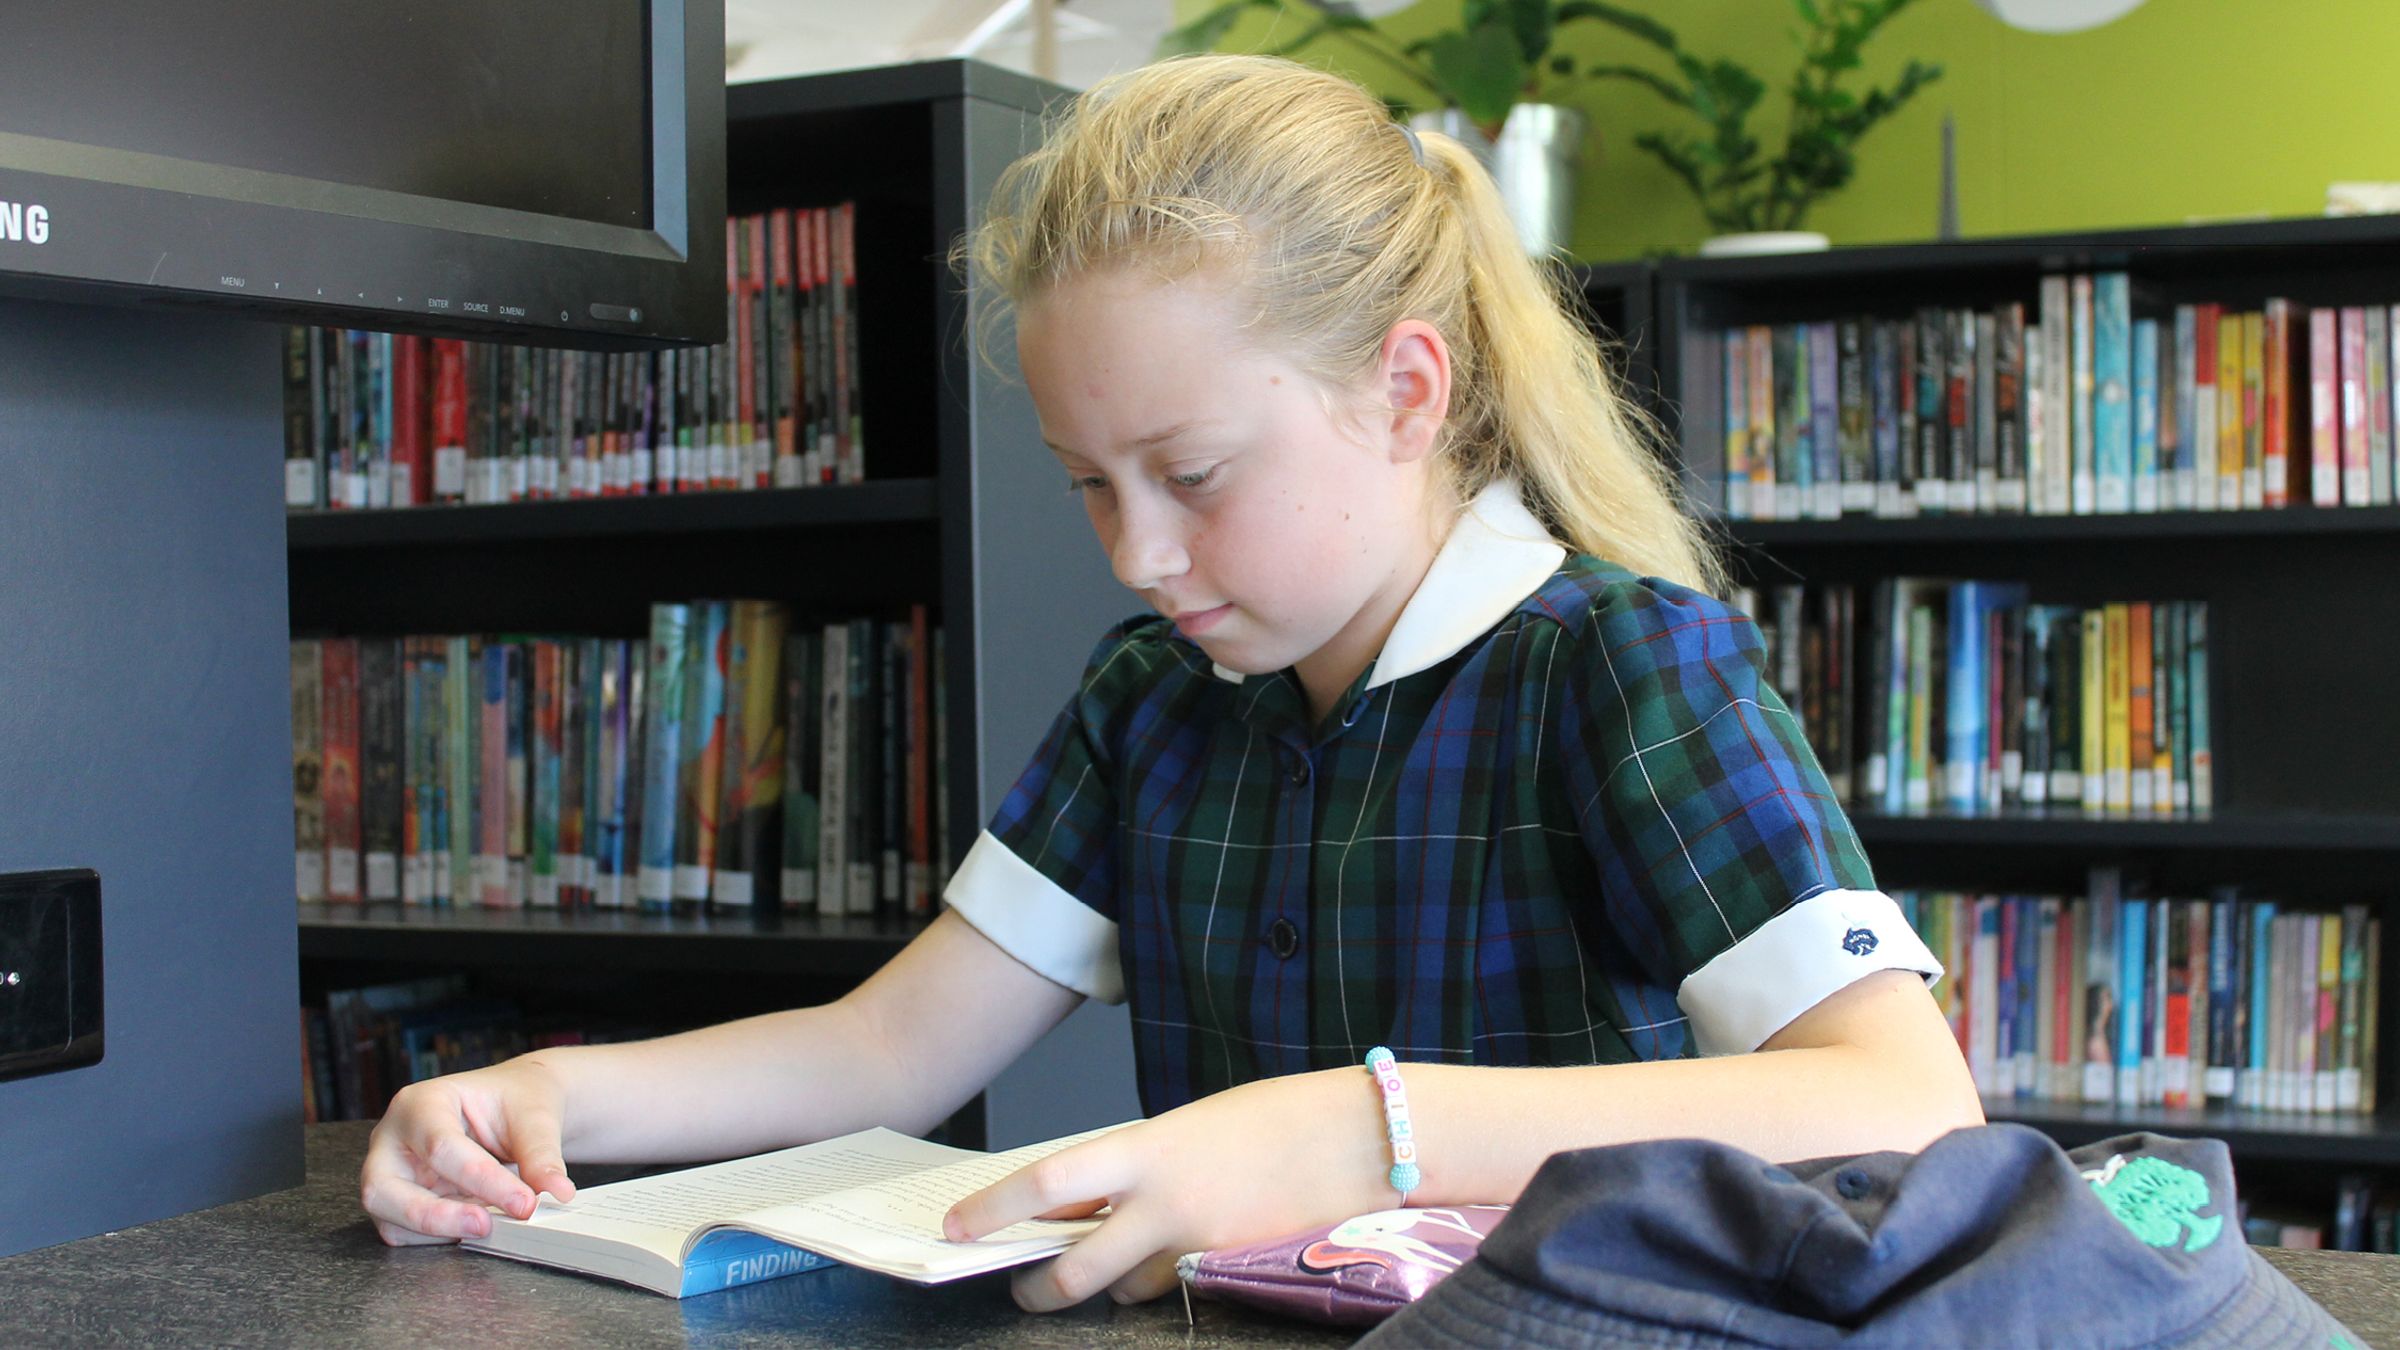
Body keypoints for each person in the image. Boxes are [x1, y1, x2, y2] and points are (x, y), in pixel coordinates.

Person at [359, 53, 1985, 1313]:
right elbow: (887, 1048)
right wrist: (543, 1093)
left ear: (1406, 392)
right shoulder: (1155, 695)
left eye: (1194, 473)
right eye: (1090, 481)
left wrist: (1349, 1134)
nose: (1138, 551)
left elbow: (1909, 1097)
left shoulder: (1621, 665)